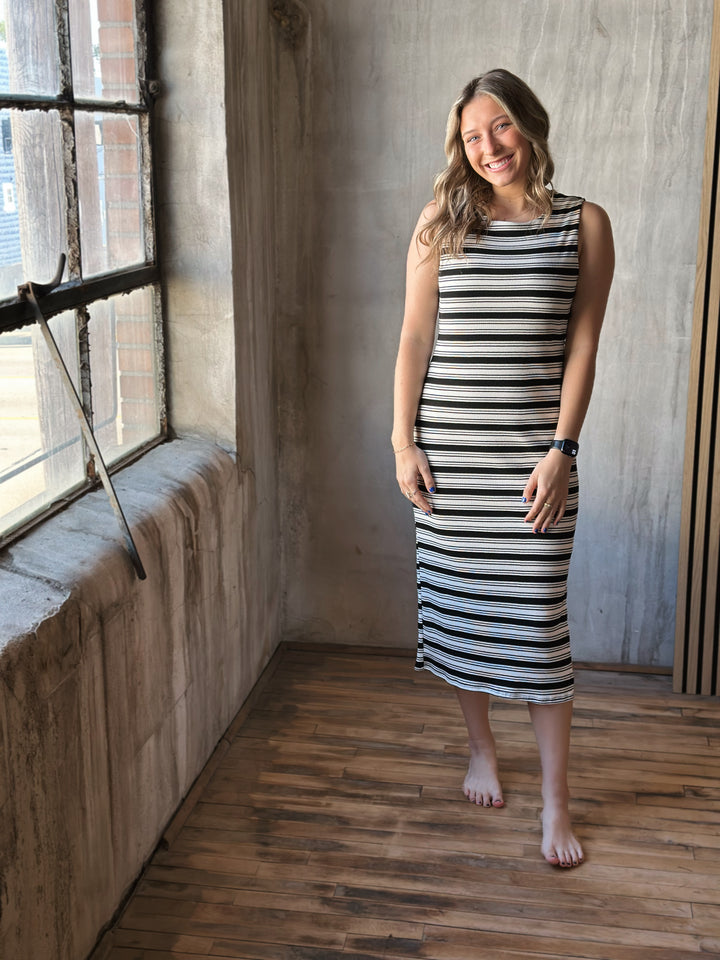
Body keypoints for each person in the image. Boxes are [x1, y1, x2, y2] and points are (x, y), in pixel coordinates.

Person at [392, 69, 614, 868]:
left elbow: (582, 346)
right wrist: (401, 441)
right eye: (473, 136)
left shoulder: (583, 224)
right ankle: (481, 749)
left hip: (532, 464)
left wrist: (562, 450)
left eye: (502, 129)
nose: (490, 149)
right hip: (448, 459)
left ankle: (557, 803)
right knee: (458, 616)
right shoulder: (439, 223)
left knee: (536, 631)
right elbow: (415, 340)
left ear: (530, 124)